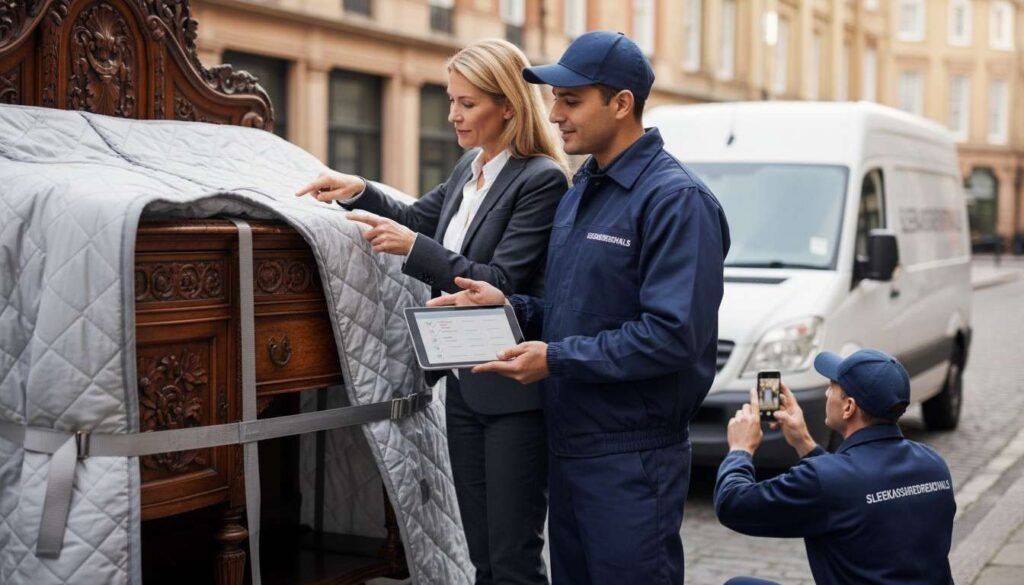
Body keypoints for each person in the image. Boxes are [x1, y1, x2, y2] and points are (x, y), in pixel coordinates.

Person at [429, 31, 731, 585]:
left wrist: (556, 360)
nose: (554, 113)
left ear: (621, 104)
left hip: (632, 457)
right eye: (554, 98)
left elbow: (671, 336)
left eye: (571, 100)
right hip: (568, 444)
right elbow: (567, 310)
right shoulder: (580, 190)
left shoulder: (676, 201)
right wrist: (510, 304)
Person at [295, 39, 569, 585]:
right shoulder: (473, 166)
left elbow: (500, 284)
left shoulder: (541, 179)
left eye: (467, 103)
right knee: (482, 554)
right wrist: (360, 190)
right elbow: (417, 214)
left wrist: (413, 248)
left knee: (513, 558)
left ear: (508, 106)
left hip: (513, 392)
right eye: (452, 101)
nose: (453, 115)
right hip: (463, 382)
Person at [715, 349, 956, 584]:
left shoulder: (828, 480)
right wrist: (804, 442)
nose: (826, 393)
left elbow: (732, 504)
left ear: (849, 407)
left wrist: (740, 449)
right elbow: (851, 486)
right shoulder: (933, 464)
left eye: (832, 385)